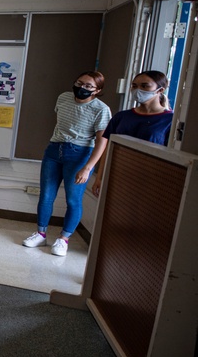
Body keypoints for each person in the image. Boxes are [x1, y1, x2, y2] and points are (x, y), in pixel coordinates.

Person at [22, 70, 111, 256]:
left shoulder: (101, 109)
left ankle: (64, 239)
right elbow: (63, 124)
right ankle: (41, 233)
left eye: (88, 86)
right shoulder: (63, 98)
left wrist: (88, 168)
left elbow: (102, 141)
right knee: (46, 195)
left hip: (80, 154)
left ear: (97, 90)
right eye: (79, 83)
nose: (81, 88)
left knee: (72, 199)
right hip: (54, 150)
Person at [91, 70, 173, 197]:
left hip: (149, 179)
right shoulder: (121, 117)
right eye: (134, 86)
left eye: (145, 86)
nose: (138, 89)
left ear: (160, 90)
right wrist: (100, 177)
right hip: (118, 176)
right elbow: (108, 149)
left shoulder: (169, 120)